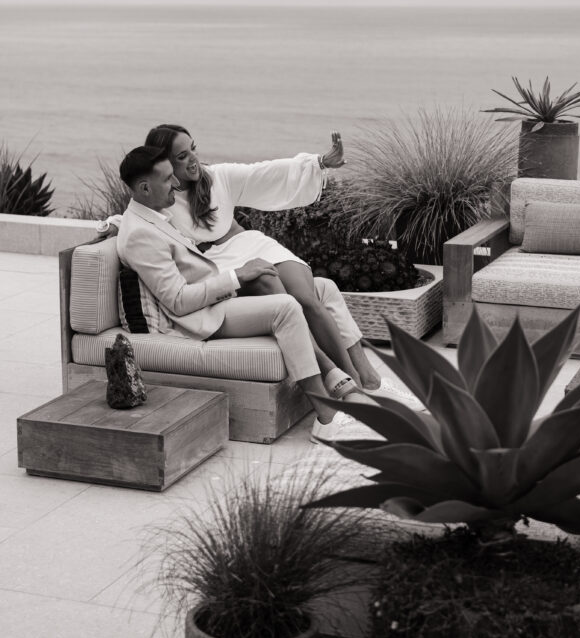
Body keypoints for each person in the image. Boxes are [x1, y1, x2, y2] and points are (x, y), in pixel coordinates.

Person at [102, 124, 417, 403]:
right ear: (163, 164)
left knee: (312, 295)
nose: (193, 159)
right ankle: (349, 385)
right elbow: (143, 225)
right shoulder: (162, 200)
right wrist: (113, 224)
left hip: (248, 247)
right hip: (217, 265)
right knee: (283, 296)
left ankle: (368, 379)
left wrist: (319, 162)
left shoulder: (216, 178)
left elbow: (263, 173)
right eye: (182, 156)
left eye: (193, 149)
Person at [115, 144, 376, 442]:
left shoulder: (150, 216)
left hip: (213, 299)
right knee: (286, 307)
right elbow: (177, 300)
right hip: (196, 317)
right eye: (167, 179)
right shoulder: (139, 234)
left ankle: (362, 383)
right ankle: (327, 420)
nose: (176, 183)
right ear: (145, 188)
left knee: (323, 288)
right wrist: (235, 276)